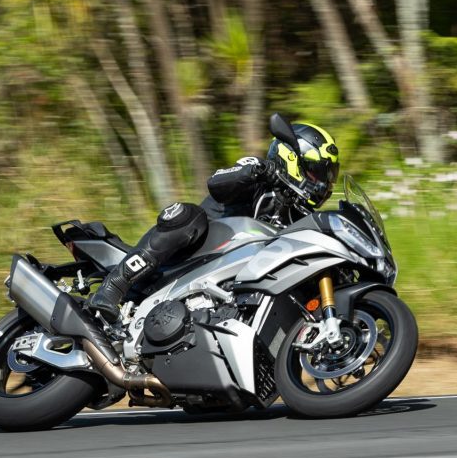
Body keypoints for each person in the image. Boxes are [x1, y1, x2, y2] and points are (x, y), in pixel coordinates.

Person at [86, 114, 340, 322]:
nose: (321, 185)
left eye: (326, 179)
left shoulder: (300, 219)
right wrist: (260, 171)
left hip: (226, 293)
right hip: (187, 258)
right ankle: (112, 287)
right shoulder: (259, 173)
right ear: (294, 159)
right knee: (187, 215)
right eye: (316, 174)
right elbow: (216, 183)